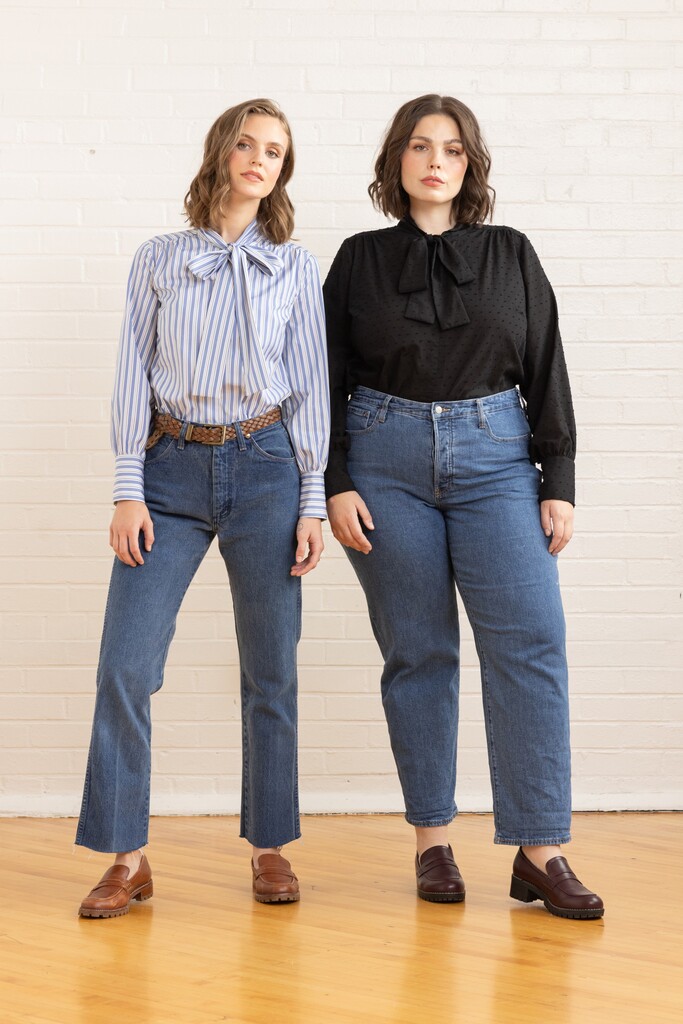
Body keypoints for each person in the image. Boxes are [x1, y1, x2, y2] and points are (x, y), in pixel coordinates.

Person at [323, 94, 603, 919]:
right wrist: (334, 479)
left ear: (470, 165)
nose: (434, 160)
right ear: (396, 163)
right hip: (383, 458)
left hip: (496, 460)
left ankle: (539, 849)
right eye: (418, 146)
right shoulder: (357, 259)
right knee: (419, 653)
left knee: (530, 643)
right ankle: (431, 842)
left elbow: (547, 362)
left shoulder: (511, 252)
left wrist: (559, 480)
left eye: (450, 148)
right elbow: (323, 381)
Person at [75, 98, 329, 916]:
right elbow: (129, 370)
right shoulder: (158, 258)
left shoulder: (293, 265)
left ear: (283, 171)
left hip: (266, 470)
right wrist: (126, 483)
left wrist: (312, 500)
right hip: (169, 470)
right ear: (223, 153)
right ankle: (126, 857)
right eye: (249, 144)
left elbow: (311, 391)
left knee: (270, 668)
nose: (261, 159)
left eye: (276, 152)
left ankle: (271, 849)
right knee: (126, 665)